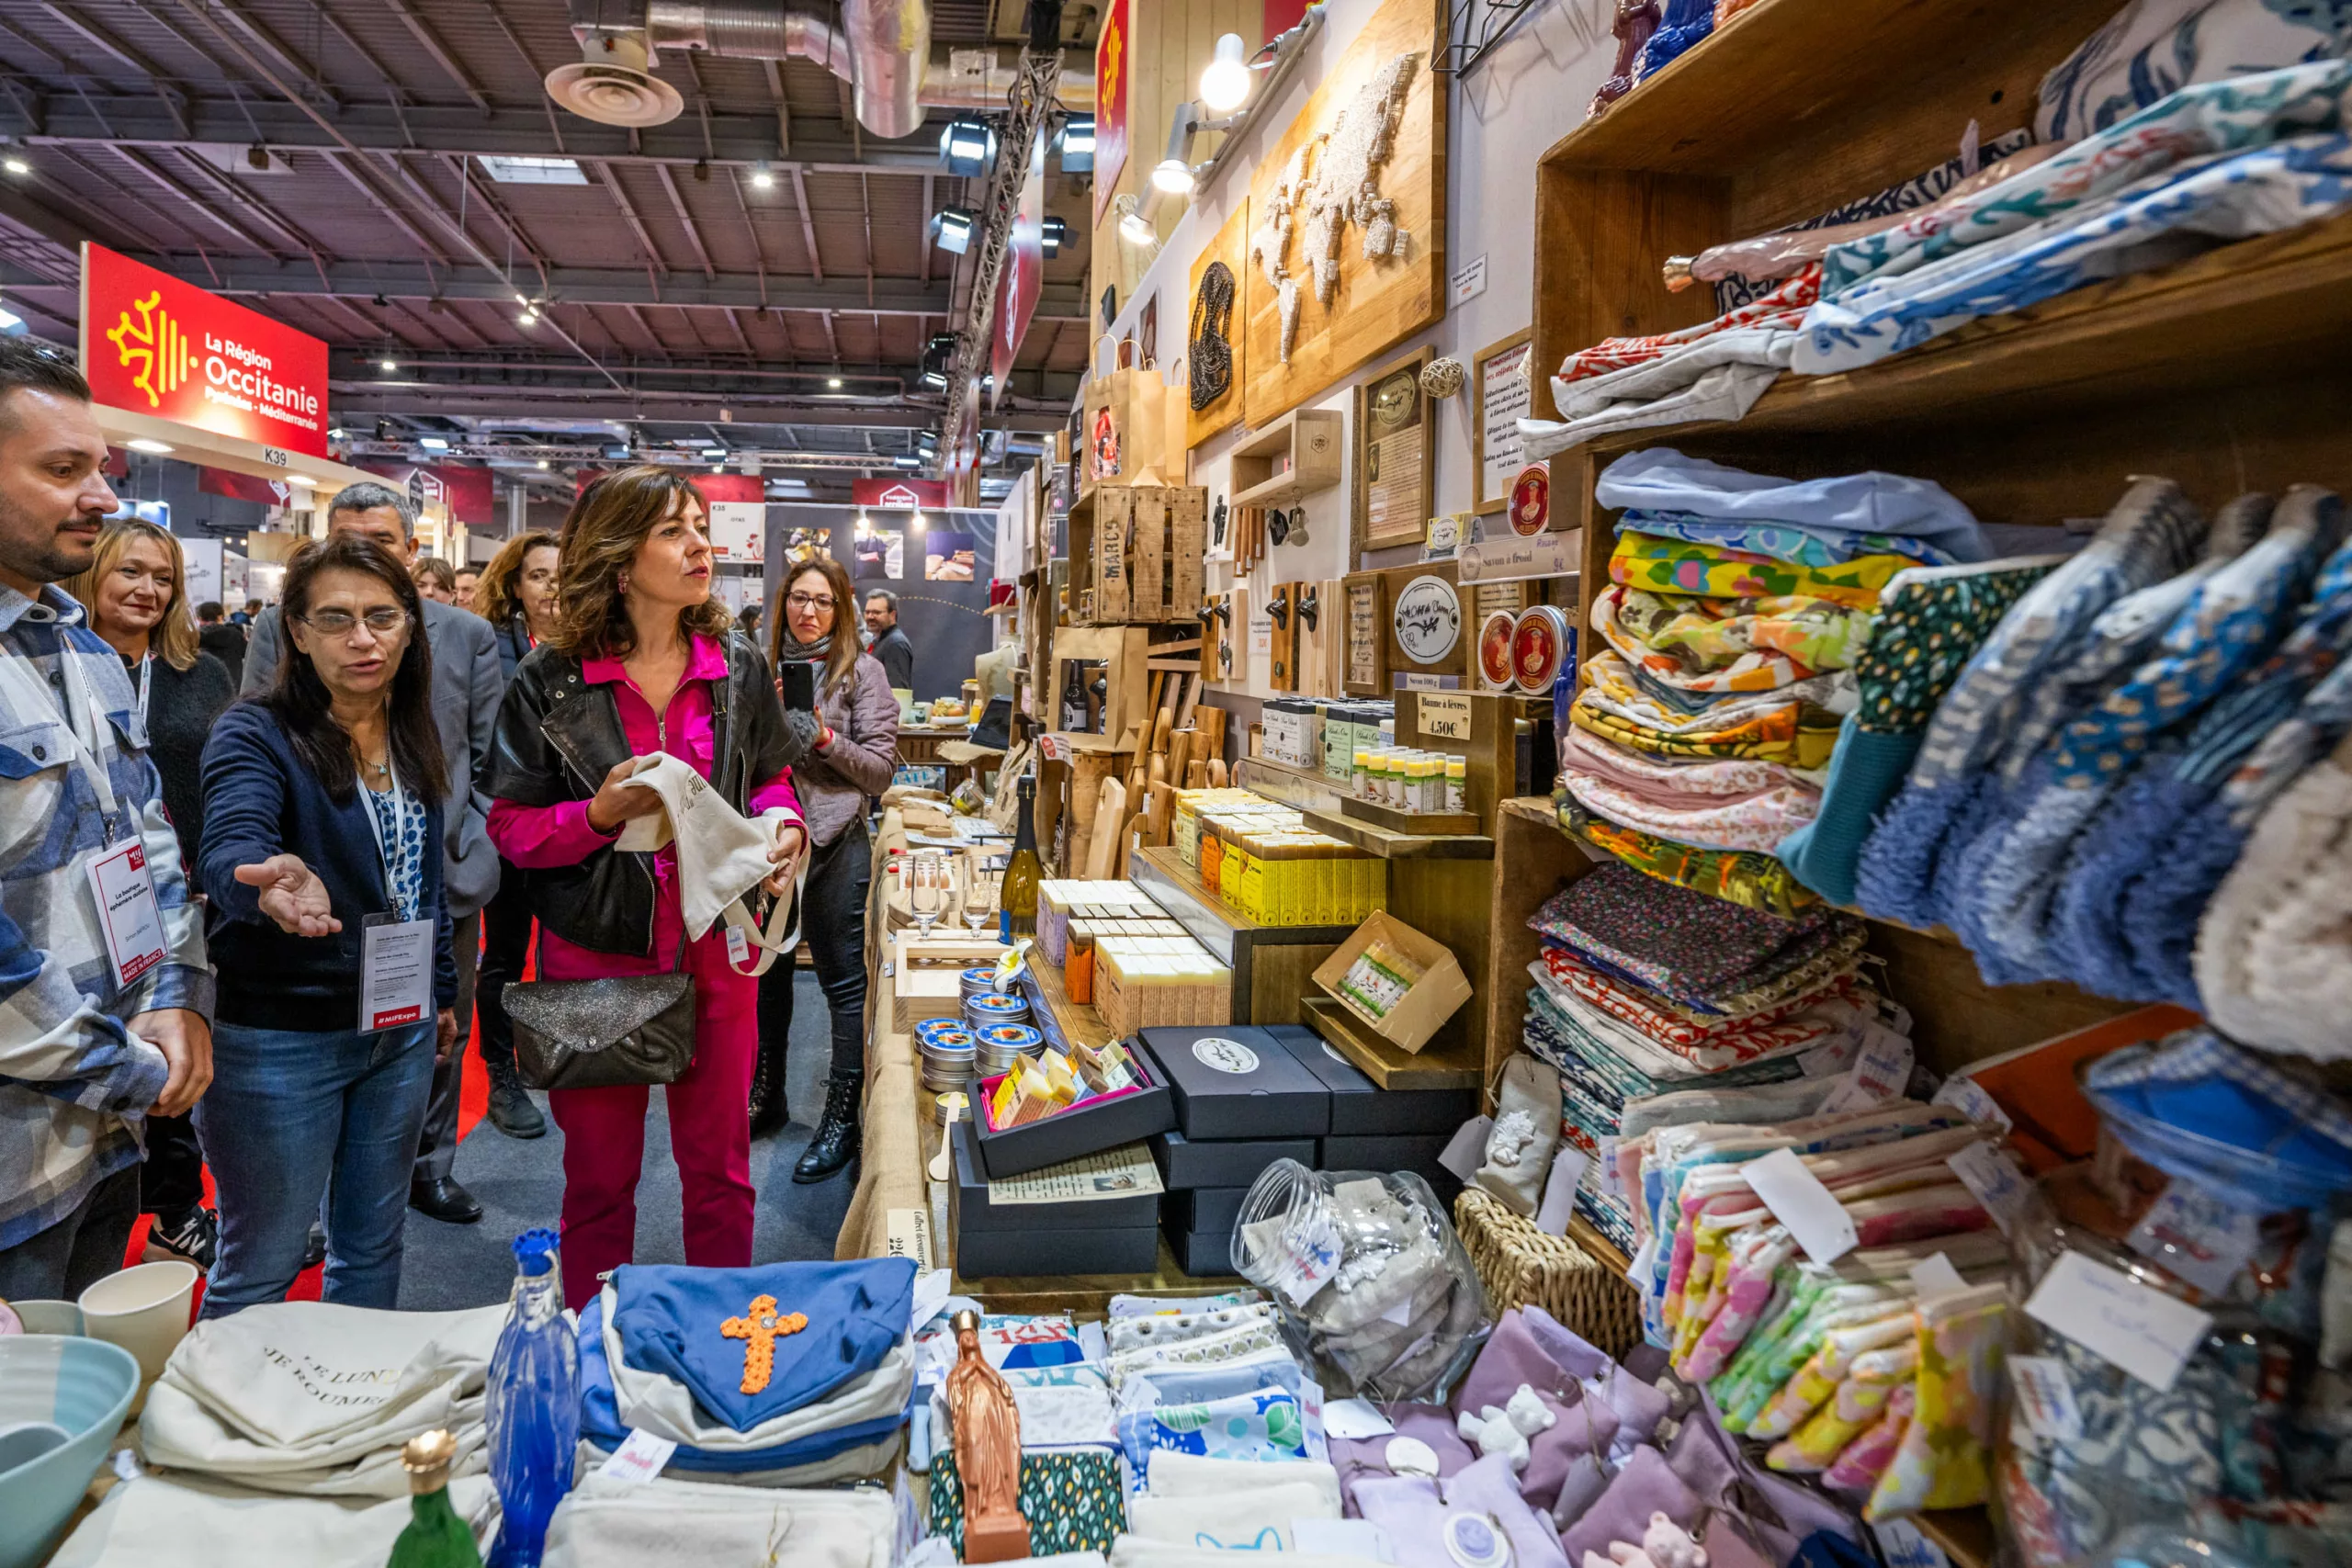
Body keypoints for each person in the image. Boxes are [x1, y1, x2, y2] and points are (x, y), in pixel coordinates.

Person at [485, 466, 809, 1311]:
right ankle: (595, 1347)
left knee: (721, 1172)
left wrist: (783, 826)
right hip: (596, 956)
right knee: (598, 1182)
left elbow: (771, 778)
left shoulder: (736, 663)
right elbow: (511, 829)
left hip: (720, 948)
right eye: (674, 530)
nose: (701, 543)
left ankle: (729, 1337)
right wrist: (595, 814)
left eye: (701, 525)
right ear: (620, 559)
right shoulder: (549, 679)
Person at [0, 342, 211, 1303]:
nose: (101, 496)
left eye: (100, 469)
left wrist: (172, 991)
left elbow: (145, 839)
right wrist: (127, 1065)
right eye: (61, 469)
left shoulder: (81, 651)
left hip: (104, 1135)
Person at [198, 536, 458, 1316]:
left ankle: (348, 1420)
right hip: (283, 1038)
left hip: (399, 1030)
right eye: (336, 619)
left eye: (382, 617)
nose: (363, 638)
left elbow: (422, 881)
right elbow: (231, 844)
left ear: (411, 626)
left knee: (372, 1247)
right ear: (297, 631)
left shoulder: (410, 730)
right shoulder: (255, 732)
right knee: (263, 1263)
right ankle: (225, 1435)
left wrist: (439, 991)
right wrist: (263, 881)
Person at [243, 483, 504, 1225]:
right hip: (321, 881)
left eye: (381, 541)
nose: (361, 554)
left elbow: (487, 758)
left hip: (436, 875)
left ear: (412, 550)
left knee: (437, 1028)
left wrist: (464, 843)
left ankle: (430, 1166)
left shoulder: (465, 634)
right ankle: (319, 1200)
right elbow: (257, 740)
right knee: (327, 1045)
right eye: (345, 538)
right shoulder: (279, 628)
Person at [61, 520, 237, 1271]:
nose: (147, 589)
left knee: (178, 1053)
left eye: (162, 577)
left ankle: (174, 1206)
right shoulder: (58, 663)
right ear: (94, 572)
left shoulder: (200, 673)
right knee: (103, 1055)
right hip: (86, 906)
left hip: (186, 893)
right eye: (130, 572)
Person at [757, 554, 897, 1179]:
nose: (807, 611)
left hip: (837, 841)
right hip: (770, 843)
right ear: (784, 600)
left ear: (839, 608)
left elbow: (880, 770)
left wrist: (821, 738)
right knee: (769, 976)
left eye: (821, 600)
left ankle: (841, 1118)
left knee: (843, 984)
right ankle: (767, 1094)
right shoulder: (761, 671)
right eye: (798, 598)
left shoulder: (864, 673)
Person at [464, 529, 563, 1140]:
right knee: (503, 952)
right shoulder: (491, 647)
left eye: (560, 574)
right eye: (538, 575)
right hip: (507, 821)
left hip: (576, 822)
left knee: (563, 950)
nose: (551, 587)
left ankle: (548, 1051)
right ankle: (500, 1070)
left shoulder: (590, 645)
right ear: (514, 585)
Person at [863, 589, 914, 691]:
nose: (870, 617)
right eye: (867, 612)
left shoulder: (895, 644)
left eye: (876, 612)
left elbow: (898, 691)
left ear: (892, 615)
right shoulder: (881, 640)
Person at [197, 599, 246, 686]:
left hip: (206, 686)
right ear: (220, 617)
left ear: (200, 618)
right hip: (234, 685)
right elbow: (246, 653)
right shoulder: (235, 634)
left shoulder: (196, 637)